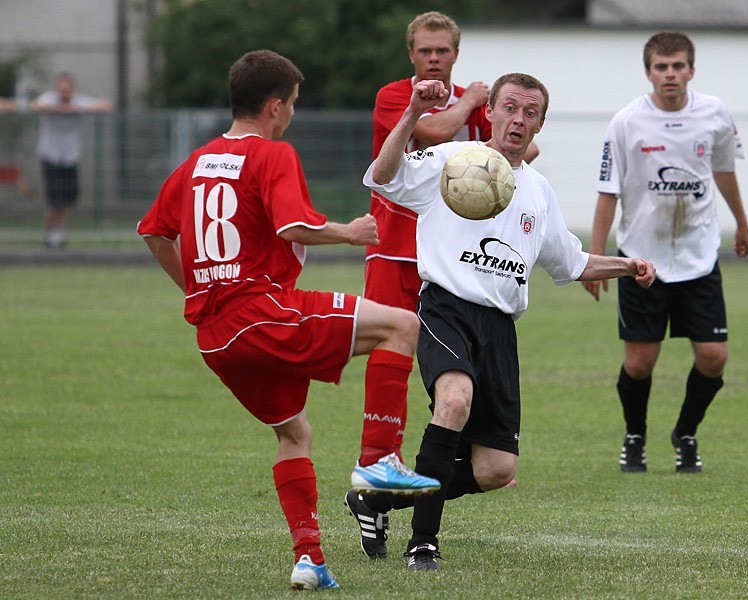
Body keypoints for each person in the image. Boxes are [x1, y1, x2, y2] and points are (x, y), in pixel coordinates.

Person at [136, 50, 440, 591]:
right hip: (261, 312)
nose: (294, 115)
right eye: (293, 105)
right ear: (274, 106)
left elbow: (155, 232)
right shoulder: (271, 155)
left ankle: (309, 559)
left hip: (216, 337)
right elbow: (293, 226)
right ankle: (380, 458)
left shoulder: (196, 162)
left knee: (294, 432)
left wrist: (198, 287)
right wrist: (349, 232)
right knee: (401, 325)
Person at [354, 74, 656, 571]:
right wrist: (412, 115)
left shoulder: (537, 190)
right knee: (454, 401)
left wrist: (627, 265)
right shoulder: (453, 160)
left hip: (499, 329)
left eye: (530, 112)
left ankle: (379, 502)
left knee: (495, 469)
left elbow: (571, 262)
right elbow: (383, 177)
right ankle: (422, 544)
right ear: (489, 112)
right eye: (510, 108)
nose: (519, 119)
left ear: (540, 123)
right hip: (446, 309)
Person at [364, 10, 539, 464]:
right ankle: (380, 456)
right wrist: (467, 105)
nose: (434, 58)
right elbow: (434, 129)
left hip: (452, 255)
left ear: (456, 54)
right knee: (392, 352)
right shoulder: (396, 96)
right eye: (425, 50)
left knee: (453, 361)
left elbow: (525, 149)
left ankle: (461, 449)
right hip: (394, 248)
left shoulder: (481, 103)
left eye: (443, 50)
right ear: (411, 54)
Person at [581, 31, 748, 474]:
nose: (670, 74)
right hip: (642, 260)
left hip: (698, 255)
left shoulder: (714, 115)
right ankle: (634, 434)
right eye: (662, 66)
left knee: (714, 357)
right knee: (640, 362)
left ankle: (686, 432)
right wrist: (595, 262)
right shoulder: (625, 122)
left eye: (678, 66)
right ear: (649, 72)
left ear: (691, 70)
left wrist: (742, 222)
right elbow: (607, 193)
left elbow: (724, 170)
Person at [31, 72, 111, 248]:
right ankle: (49, 234)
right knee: (53, 201)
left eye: (67, 90)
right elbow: (36, 105)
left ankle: (59, 234)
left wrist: (75, 108)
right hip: (51, 156)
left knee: (66, 199)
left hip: (70, 157)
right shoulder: (49, 99)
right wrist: (60, 110)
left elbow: (104, 105)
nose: (64, 94)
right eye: (61, 90)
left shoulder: (78, 101)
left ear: (72, 90)